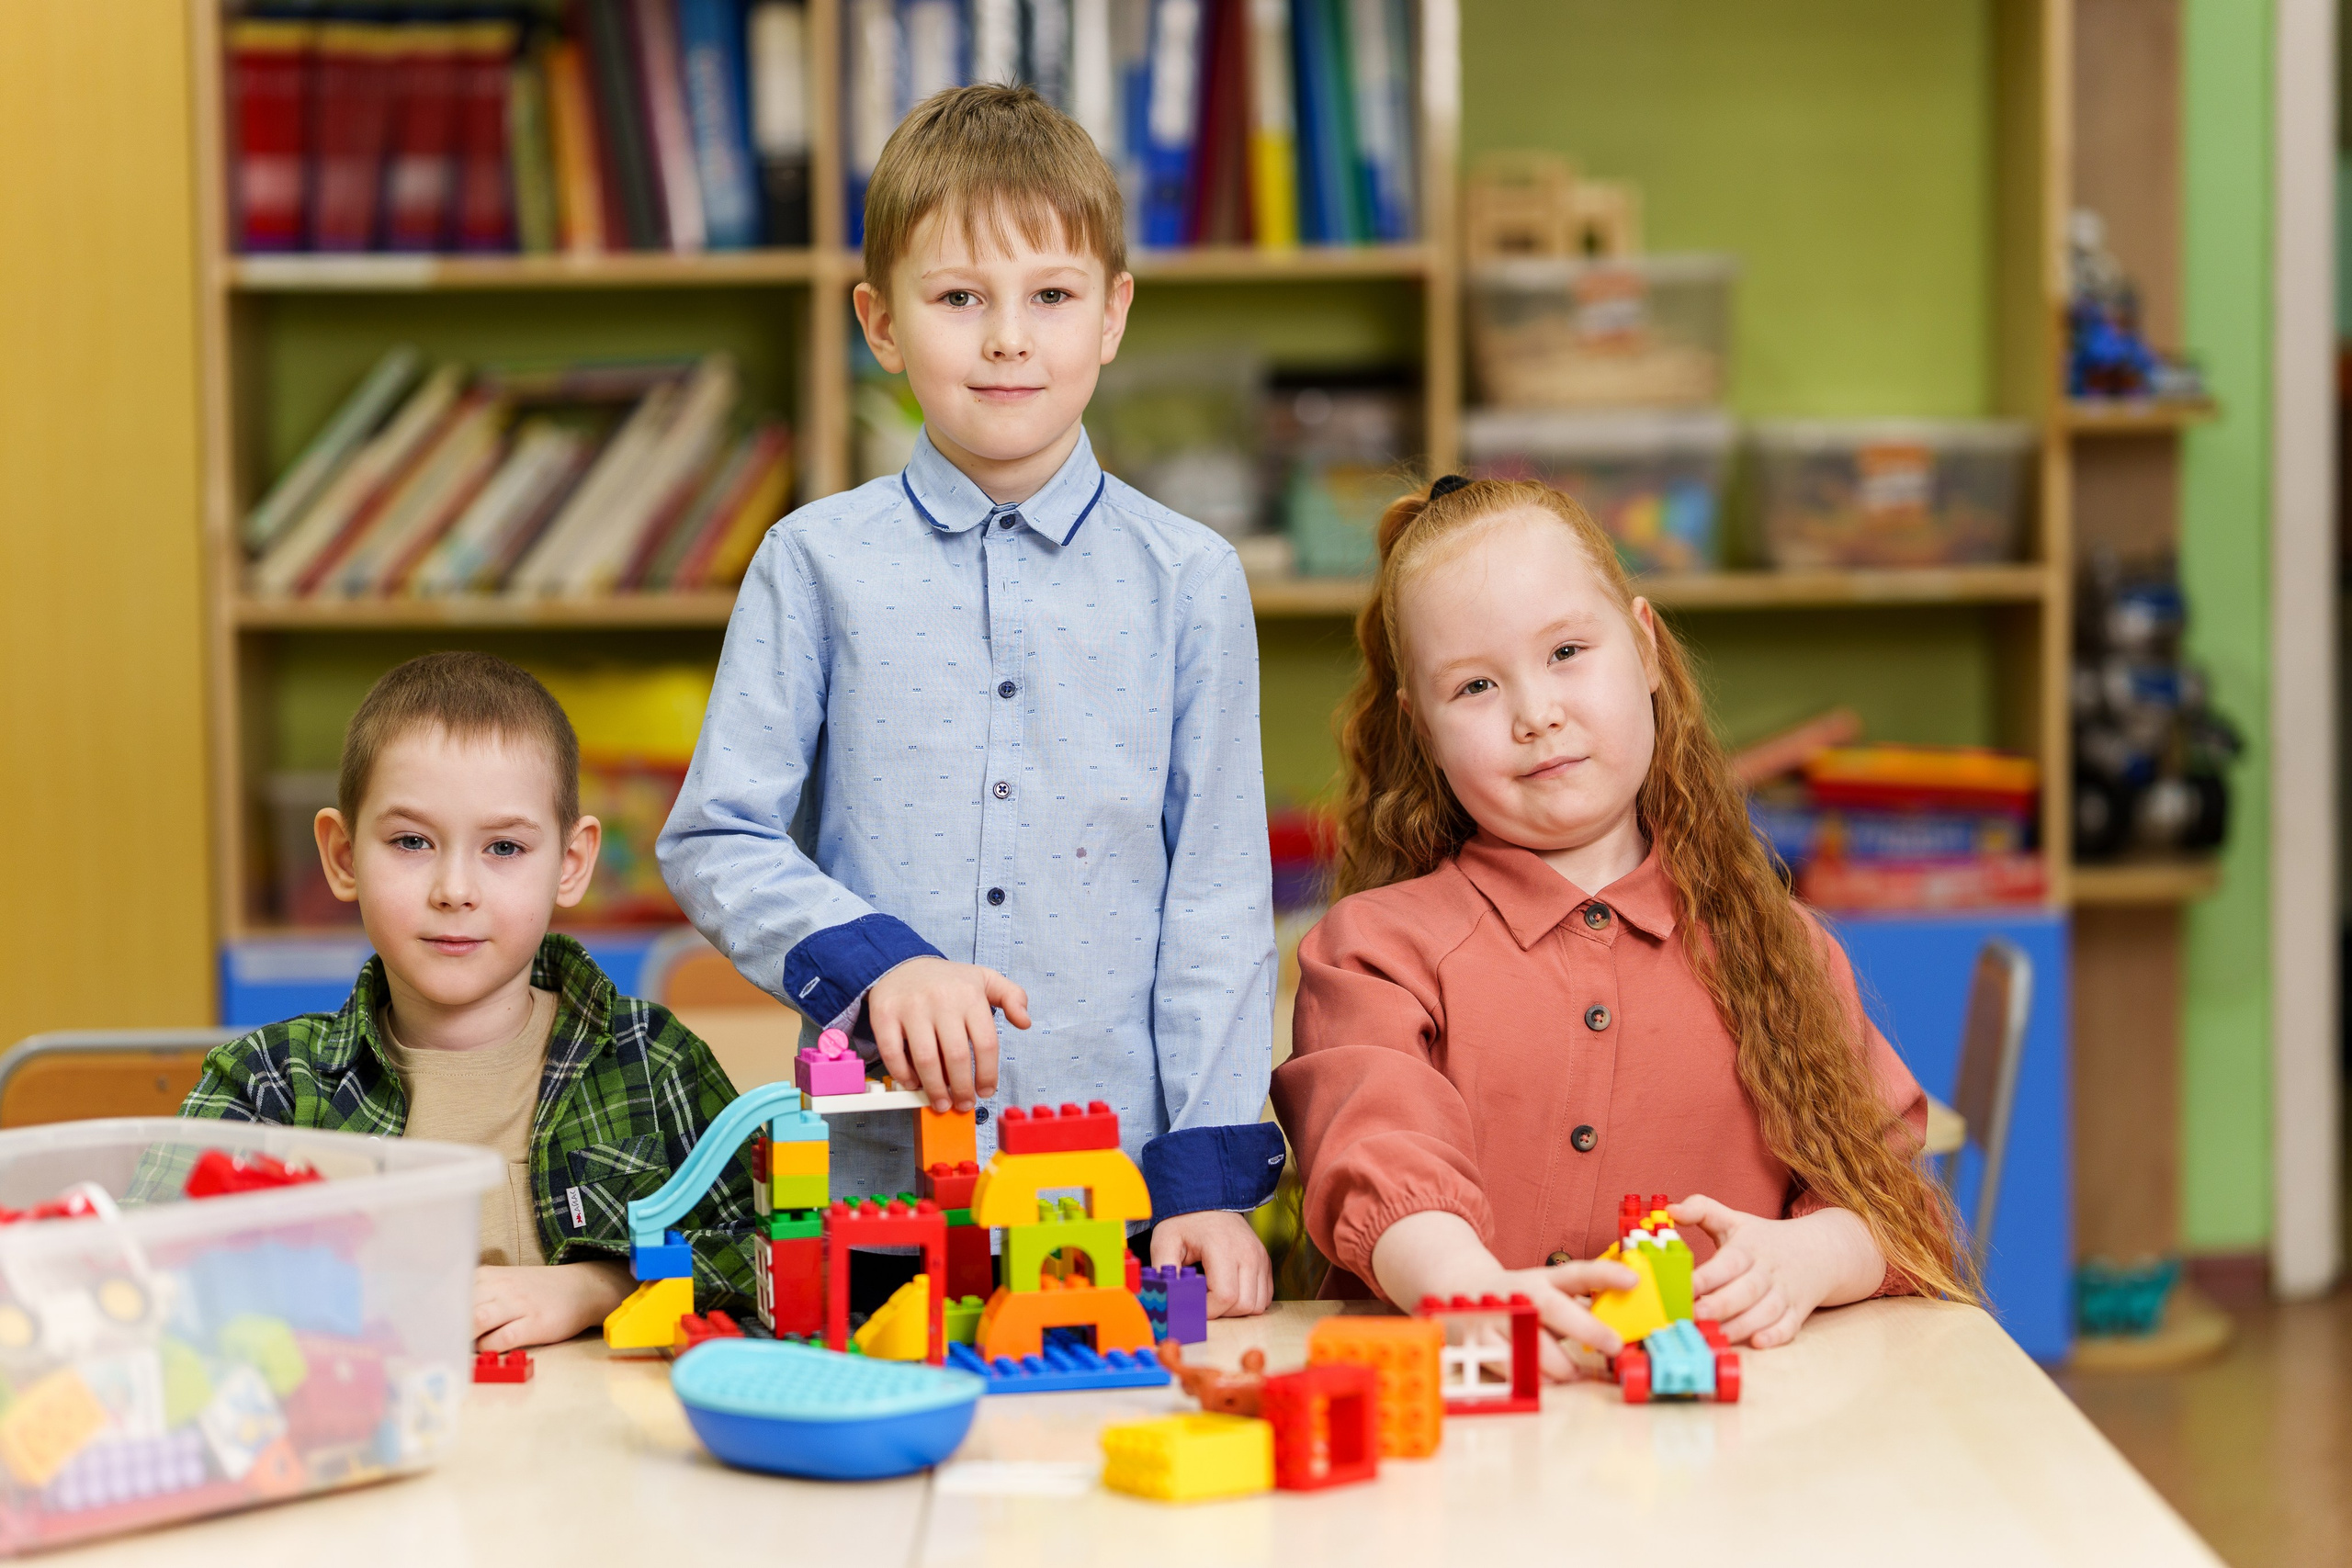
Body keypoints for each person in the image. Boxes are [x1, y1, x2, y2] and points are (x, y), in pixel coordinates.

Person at [657, 85, 1282, 1316]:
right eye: (959, 299)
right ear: (882, 324)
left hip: (1120, 1199)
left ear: (1112, 314)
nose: (1009, 338)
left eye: (1051, 295)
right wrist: (878, 964)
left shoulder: (1192, 581)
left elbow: (1215, 900)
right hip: (873, 1187)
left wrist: (1209, 1181)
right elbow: (714, 833)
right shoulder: (811, 561)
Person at [1271, 476, 1970, 1378]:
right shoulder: (1372, 950)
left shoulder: (1778, 948)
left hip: (1722, 1464)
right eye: (1476, 685)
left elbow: (1893, 1204)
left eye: (1566, 651)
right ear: (1424, 732)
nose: (1536, 713)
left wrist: (1811, 1258)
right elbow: (1379, 1147)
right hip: (1463, 1455)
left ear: (1642, 646)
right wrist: (1462, 1287)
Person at [180, 652, 756, 1350]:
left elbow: (774, 1251)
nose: (455, 888)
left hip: (588, 1452)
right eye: (412, 841)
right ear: (341, 855)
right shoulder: (264, 1085)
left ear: (571, 864)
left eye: (505, 847)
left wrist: (601, 1285)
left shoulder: (655, 1061)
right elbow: (145, 1271)